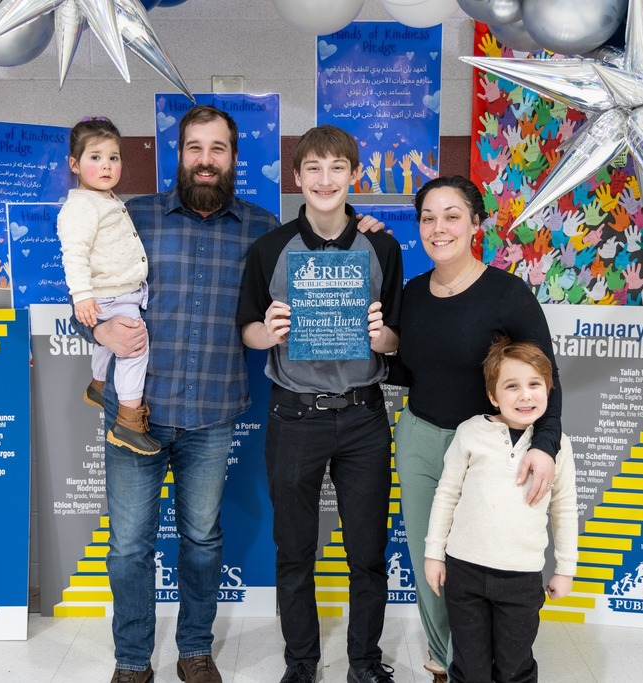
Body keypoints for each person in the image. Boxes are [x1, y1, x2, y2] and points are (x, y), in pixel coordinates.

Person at [73, 107, 384, 683]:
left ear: (234, 158)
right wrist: (96, 329)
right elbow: (82, 289)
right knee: (128, 548)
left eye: (219, 149)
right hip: (134, 414)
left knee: (201, 540)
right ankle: (133, 660)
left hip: (214, 414)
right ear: (180, 155)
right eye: (196, 148)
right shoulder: (129, 218)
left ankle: (194, 649)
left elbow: (323, 241)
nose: (206, 160)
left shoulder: (263, 228)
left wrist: (364, 227)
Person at [236, 124, 403, 683]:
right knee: (294, 550)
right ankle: (301, 663)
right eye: (314, 168)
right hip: (294, 415)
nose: (325, 179)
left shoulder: (381, 245)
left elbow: (397, 338)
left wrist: (383, 337)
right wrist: (269, 329)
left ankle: (364, 662)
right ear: (297, 177)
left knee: (367, 552)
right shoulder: (269, 249)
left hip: (362, 415)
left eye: (338, 168)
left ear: (355, 175)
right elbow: (246, 332)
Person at [390, 176, 562, 682]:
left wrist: (546, 445)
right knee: (431, 555)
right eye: (428, 217)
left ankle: (494, 659)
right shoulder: (414, 293)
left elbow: (546, 375)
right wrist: (382, 347)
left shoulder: (507, 294)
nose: (438, 227)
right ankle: (448, 658)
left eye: (451, 215)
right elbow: (414, 370)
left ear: (474, 224)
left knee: (480, 559)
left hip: (489, 447)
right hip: (421, 438)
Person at [423, 338, 577, 683]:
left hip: (521, 579)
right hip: (465, 572)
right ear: (493, 396)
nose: (525, 395)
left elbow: (564, 509)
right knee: (469, 667)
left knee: (515, 667)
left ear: (549, 391)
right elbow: (446, 495)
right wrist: (434, 554)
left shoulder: (557, 446)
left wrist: (565, 568)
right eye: (512, 386)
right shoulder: (470, 433)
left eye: (535, 384)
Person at [57, 116, 160, 456]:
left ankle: (99, 386)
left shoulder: (103, 199)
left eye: (113, 157)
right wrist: (81, 296)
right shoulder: (81, 206)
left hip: (117, 290)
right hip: (112, 292)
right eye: (95, 157)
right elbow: (75, 252)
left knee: (108, 345)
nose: (106, 165)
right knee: (133, 347)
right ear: (74, 164)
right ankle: (128, 422)